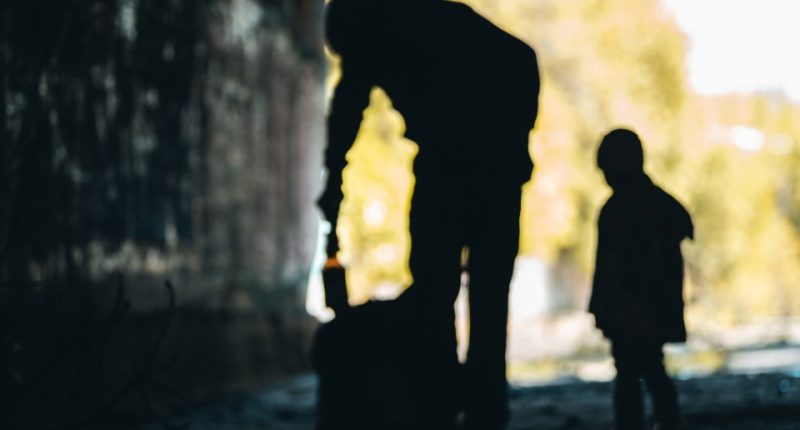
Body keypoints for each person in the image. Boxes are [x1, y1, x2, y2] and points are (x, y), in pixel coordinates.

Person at [318, 0, 540, 428]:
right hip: (490, 169)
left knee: (437, 289)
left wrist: (333, 183)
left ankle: (445, 401)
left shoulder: (381, 32)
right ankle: (479, 405)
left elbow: (347, 109)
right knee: (484, 292)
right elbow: (523, 62)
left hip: (461, 165)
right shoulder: (432, 21)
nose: (353, 67)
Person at [589, 129, 693, 430]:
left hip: (629, 311)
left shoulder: (616, 211)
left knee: (629, 376)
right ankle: (667, 421)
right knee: (651, 370)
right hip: (651, 311)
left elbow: (609, 267)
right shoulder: (662, 206)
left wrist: (602, 308)